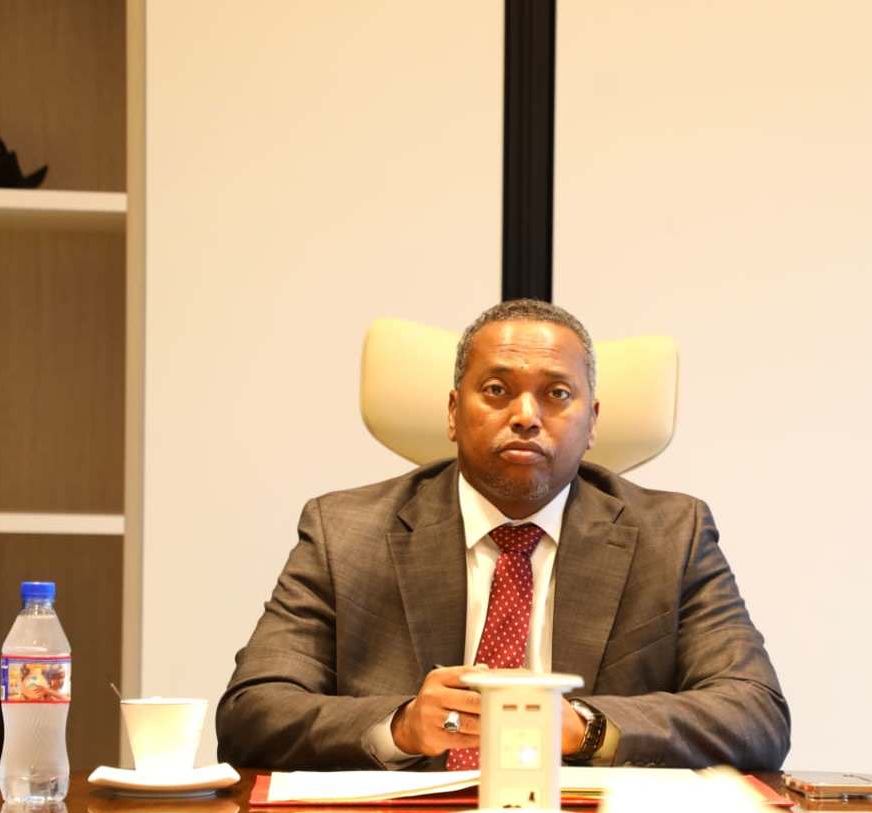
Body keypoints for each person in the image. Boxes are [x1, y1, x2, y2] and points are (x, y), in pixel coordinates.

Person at [217, 300, 790, 771]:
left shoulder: (673, 536)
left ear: (592, 422)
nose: (525, 415)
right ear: (452, 413)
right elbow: (252, 712)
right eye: (496, 389)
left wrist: (585, 727)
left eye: (557, 394)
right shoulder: (345, 533)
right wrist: (402, 725)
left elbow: (755, 714)